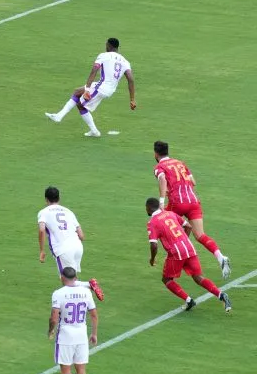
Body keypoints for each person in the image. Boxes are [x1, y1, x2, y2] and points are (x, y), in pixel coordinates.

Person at [152, 141, 230, 277]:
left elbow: (163, 180)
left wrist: (162, 200)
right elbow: (193, 182)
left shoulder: (159, 167)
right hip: (193, 201)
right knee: (200, 235)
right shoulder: (180, 163)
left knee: (164, 224)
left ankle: (175, 257)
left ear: (155, 154)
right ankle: (221, 257)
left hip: (177, 202)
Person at [145, 198, 231, 312]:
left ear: (149, 208)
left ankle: (189, 300)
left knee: (167, 279)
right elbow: (188, 226)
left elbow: (154, 246)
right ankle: (221, 295)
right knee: (198, 277)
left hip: (176, 253)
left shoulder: (152, 223)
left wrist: (152, 259)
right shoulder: (170, 213)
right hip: (189, 248)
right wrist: (184, 240)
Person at [45, 37, 136, 137]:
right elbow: (131, 79)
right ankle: (60, 116)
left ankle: (93, 131)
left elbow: (94, 69)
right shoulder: (125, 61)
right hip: (109, 90)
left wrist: (87, 89)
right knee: (77, 92)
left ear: (109, 45)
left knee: (80, 104)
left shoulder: (104, 55)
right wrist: (132, 99)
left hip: (101, 87)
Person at [37, 186, 104, 300]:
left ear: (46, 199)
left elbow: (42, 229)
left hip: (63, 249)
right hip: (78, 247)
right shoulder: (68, 211)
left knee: (66, 279)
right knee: (72, 277)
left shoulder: (43, 212)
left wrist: (42, 250)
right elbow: (82, 236)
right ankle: (78, 299)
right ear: (59, 198)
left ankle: (90, 285)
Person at [48, 267, 97, 374]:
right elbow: (94, 315)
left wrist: (50, 331)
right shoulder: (86, 292)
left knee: (66, 368)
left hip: (65, 336)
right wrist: (94, 334)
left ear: (62, 278)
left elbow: (54, 317)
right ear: (76, 278)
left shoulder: (58, 294)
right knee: (81, 367)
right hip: (81, 334)